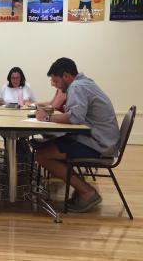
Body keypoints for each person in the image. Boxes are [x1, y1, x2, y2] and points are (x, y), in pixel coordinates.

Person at [35, 57, 120, 213]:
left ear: (66, 76)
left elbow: (74, 118)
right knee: (45, 147)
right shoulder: (85, 82)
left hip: (97, 144)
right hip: (99, 140)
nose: (57, 86)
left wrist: (47, 118)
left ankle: (87, 192)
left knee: (42, 155)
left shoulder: (77, 86)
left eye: (57, 81)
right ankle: (83, 190)